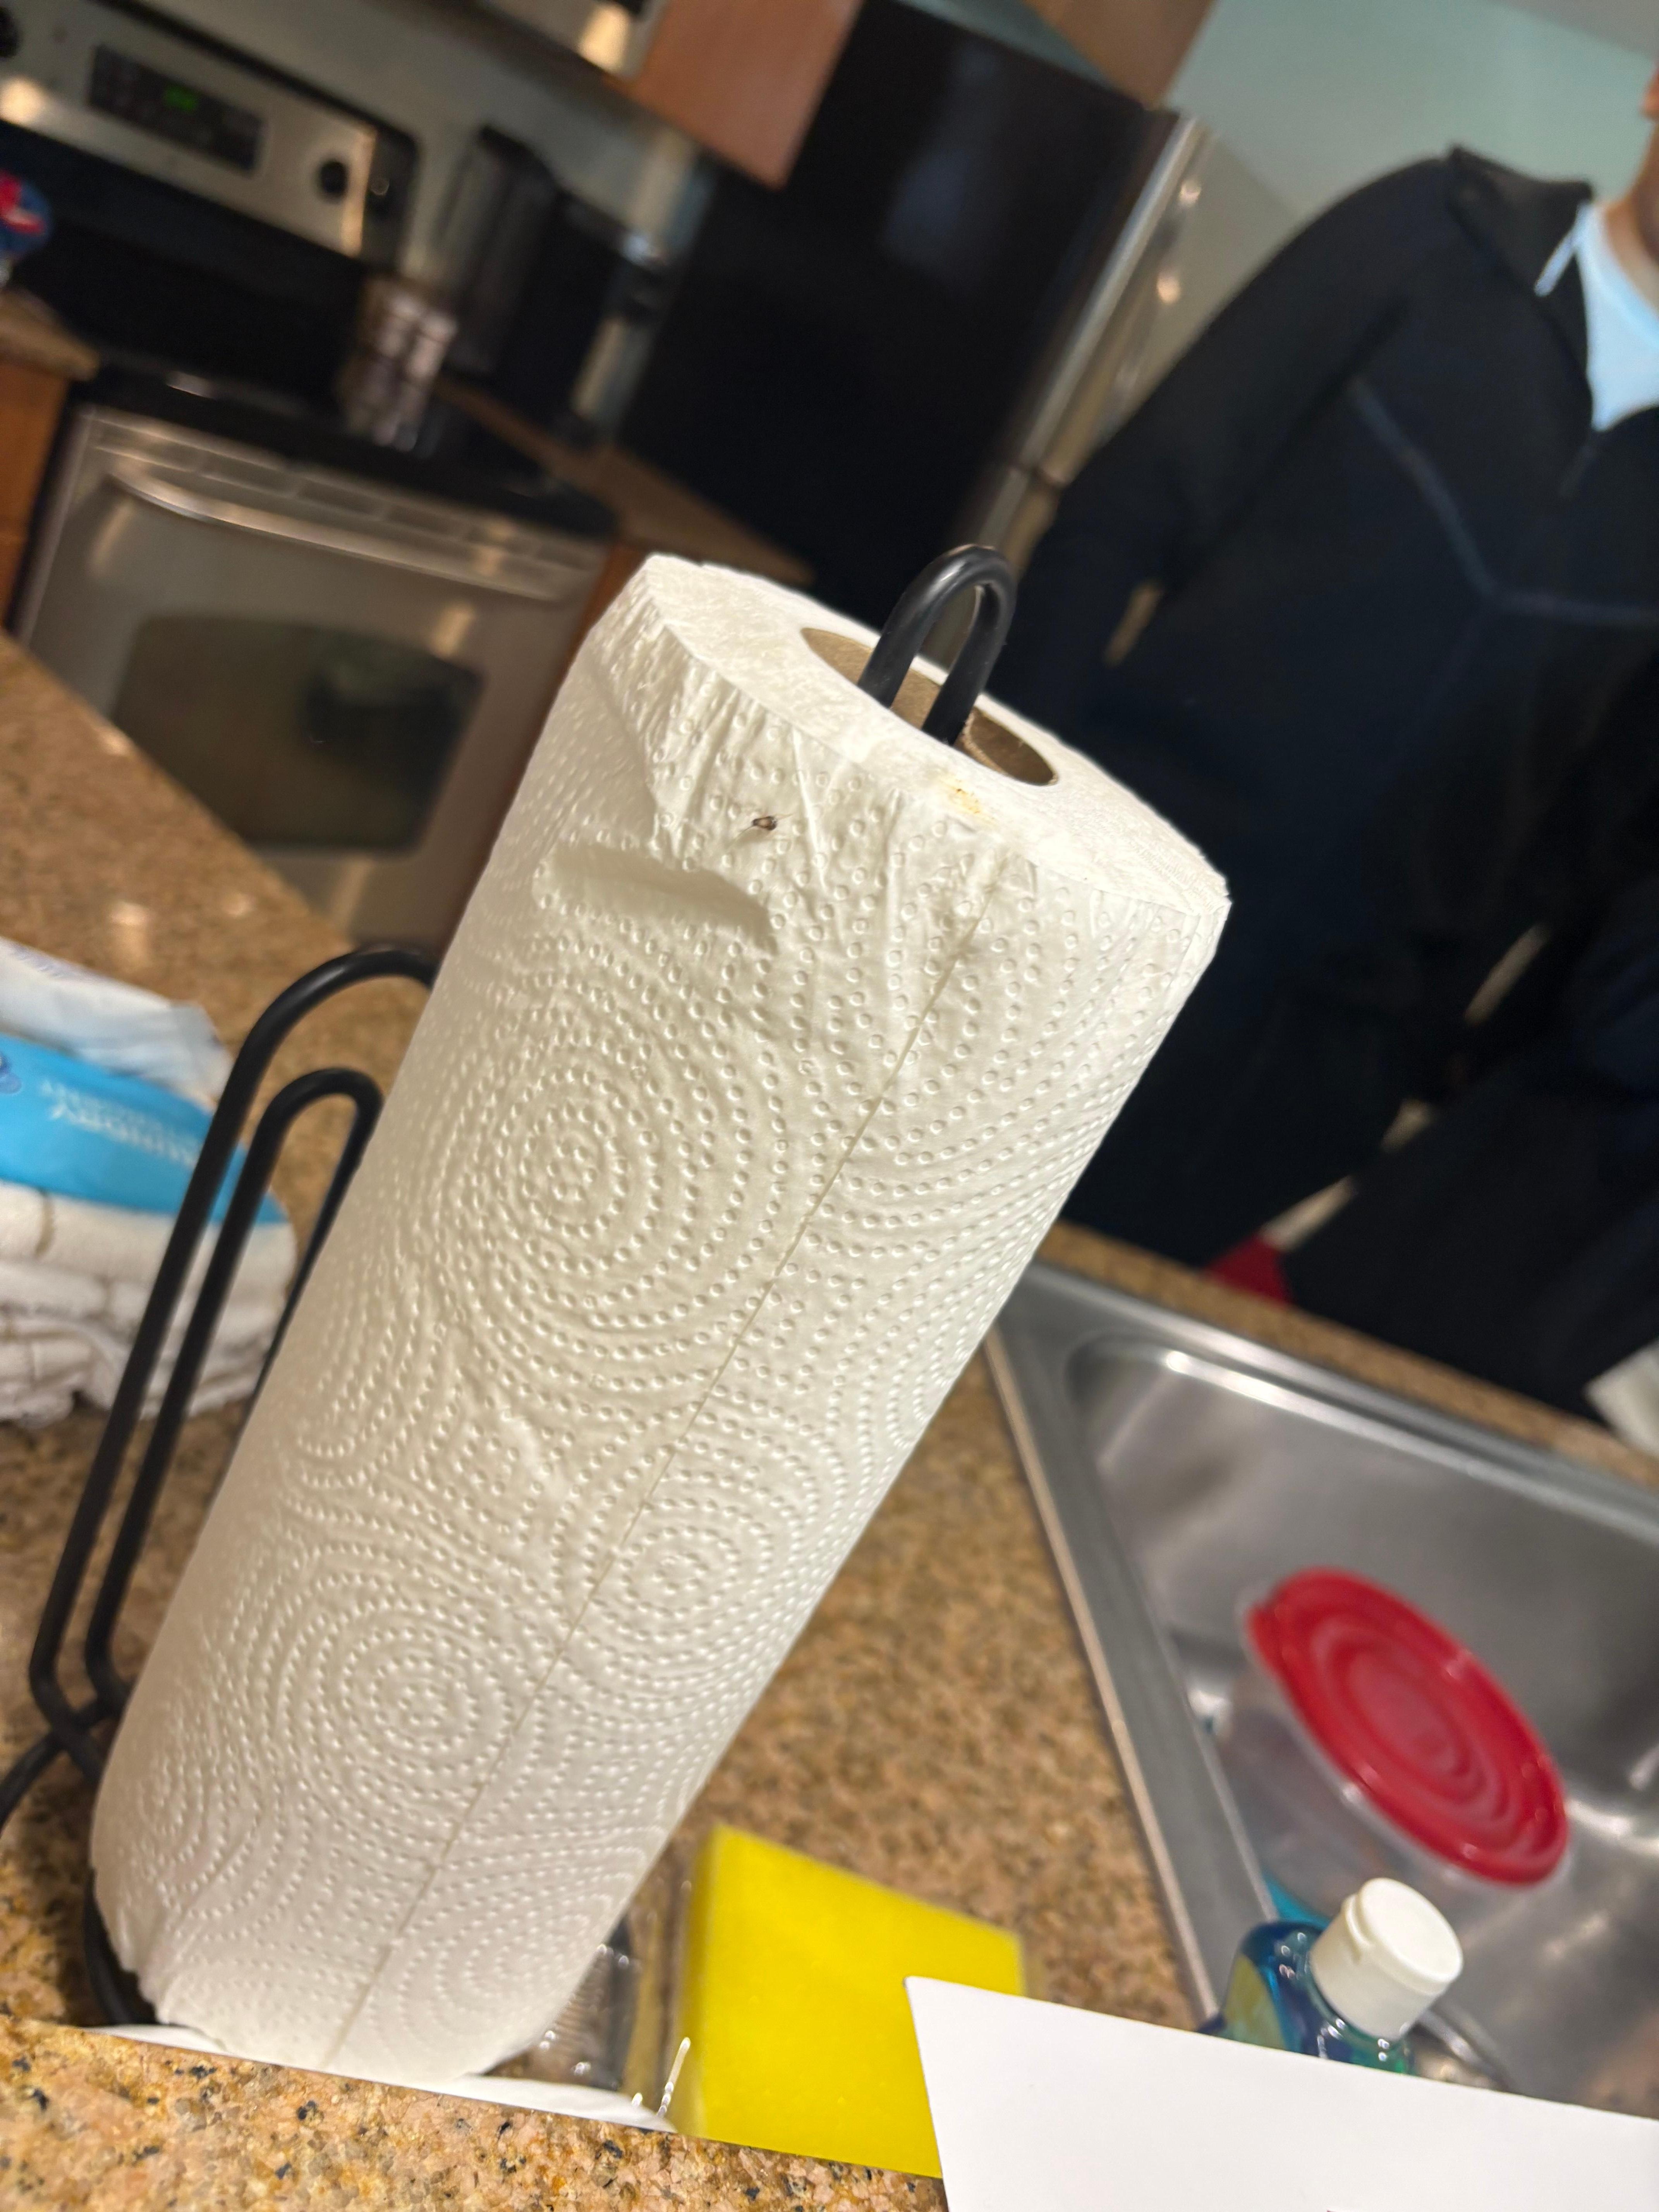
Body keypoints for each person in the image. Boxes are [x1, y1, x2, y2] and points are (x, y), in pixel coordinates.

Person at [996, 77, 1659, 1267]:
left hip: (1312, 1066)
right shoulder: (1432, 237)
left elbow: (1590, 834)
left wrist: (1421, 1045)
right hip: (1098, 920)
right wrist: (1013, 831)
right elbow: (1121, 516)